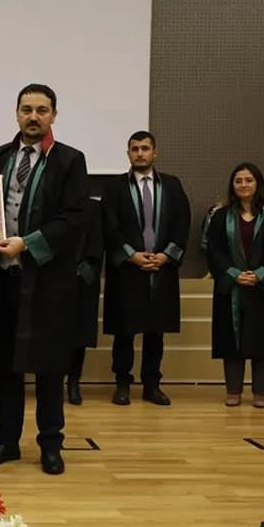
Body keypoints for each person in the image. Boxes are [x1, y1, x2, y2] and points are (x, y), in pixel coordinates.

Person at [0, 84, 88, 475]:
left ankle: (51, 444)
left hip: (47, 281)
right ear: (16, 113)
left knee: (49, 367)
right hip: (2, 278)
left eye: (42, 110)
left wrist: (27, 244)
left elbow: (75, 219)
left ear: (54, 115)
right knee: (5, 366)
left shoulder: (70, 161)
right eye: (27, 109)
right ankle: (7, 440)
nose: (33, 117)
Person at [102, 131, 191, 406]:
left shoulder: (172, 185)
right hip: (127, 269)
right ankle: (122, 384)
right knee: (124, 331)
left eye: (145, 148)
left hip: (161, 268)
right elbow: (109, 226)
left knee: (156, 331)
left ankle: (152, 385)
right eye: (135, 149)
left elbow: (182, 222)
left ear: (155, 152)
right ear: (128, 153)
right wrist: (131, 255)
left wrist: (166, 256)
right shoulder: (115, 187)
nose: (140, 153)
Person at [206, 162, 264, 408]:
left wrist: (260, 274)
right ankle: (233, 391)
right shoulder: (220, 216)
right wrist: (233, 273)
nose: (243, 185)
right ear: (232, 185)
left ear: (258, 183)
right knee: (232, 341)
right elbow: (213, 250)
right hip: (231, 286)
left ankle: (260, 393)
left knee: (263, 339)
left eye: (248, 180)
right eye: (238, 181)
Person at [67, 195, 104, 405]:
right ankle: (49, 382)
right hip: (50, 275)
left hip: (82, 277)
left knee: (79, 333)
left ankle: (74, 381)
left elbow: (98, 242)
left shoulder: (93, 206)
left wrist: (81, 269)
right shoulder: (48, 201)